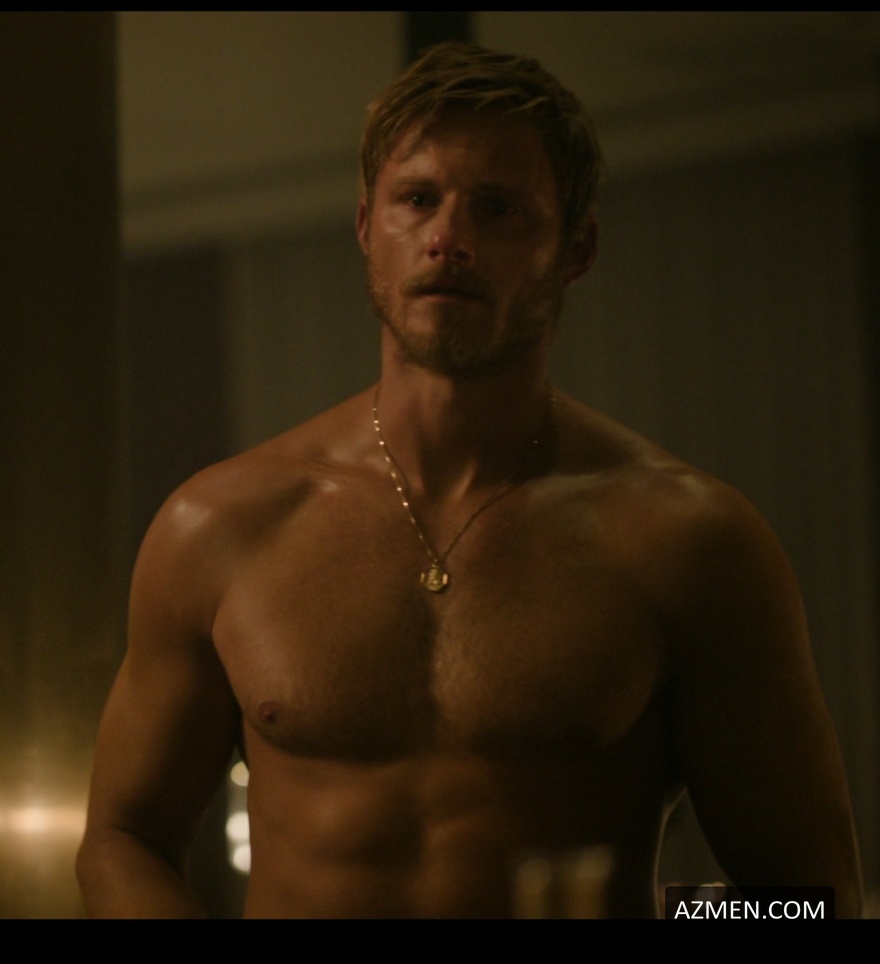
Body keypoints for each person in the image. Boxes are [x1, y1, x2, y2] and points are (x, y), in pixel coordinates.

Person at [76, 41, 863, 919]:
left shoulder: (688, 541)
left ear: (575, 249)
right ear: (367, 227)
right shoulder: (220, 525)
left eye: (498, 209)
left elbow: (809, 896)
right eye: (418, 200)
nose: (448, 239)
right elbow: (122, 839)